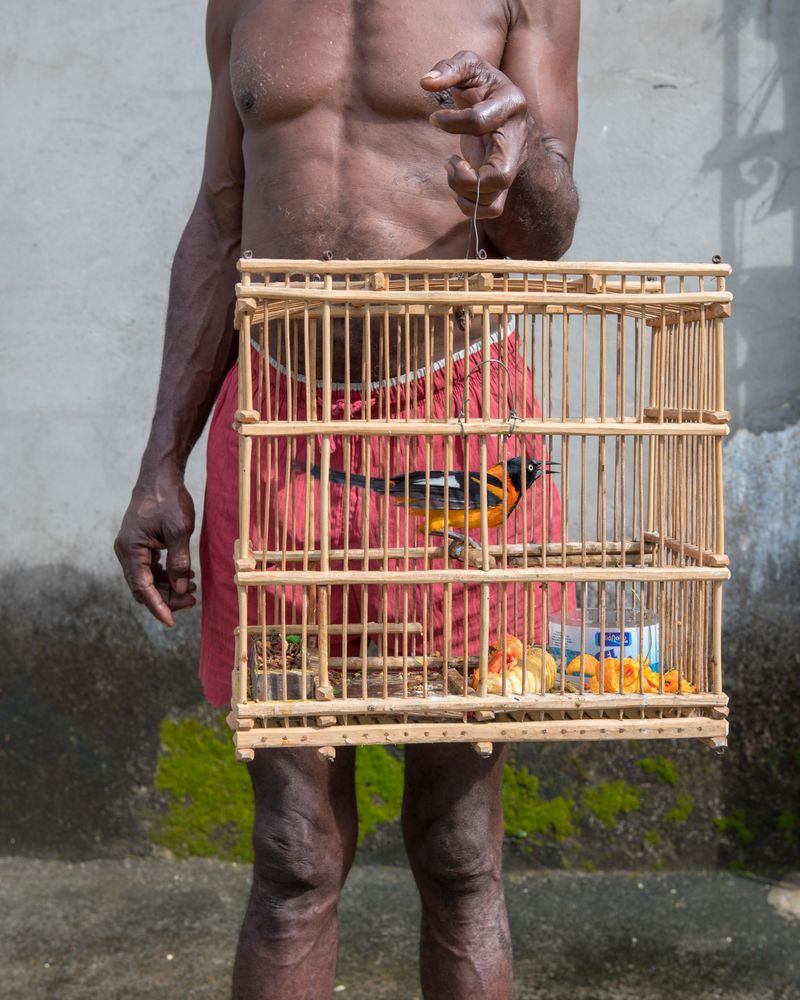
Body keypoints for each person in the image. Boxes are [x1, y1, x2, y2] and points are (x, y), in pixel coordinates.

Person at [115, 2, 579, 997]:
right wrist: (163, 460)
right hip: (280, 432)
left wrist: (518, 144)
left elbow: (543, 234)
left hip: (458, 440)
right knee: (291, 855)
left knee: (457, 852)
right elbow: (221, 218)